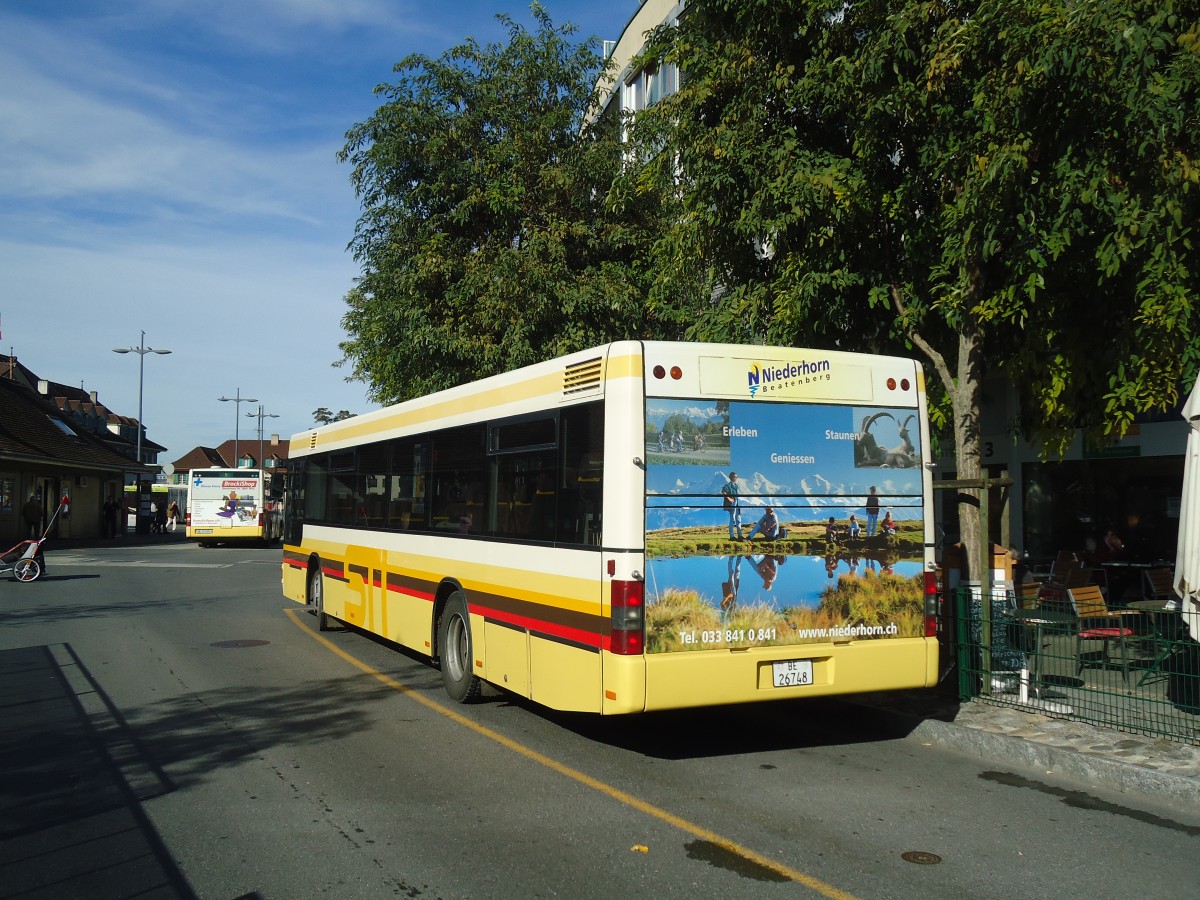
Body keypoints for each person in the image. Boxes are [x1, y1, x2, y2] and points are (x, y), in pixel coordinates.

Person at [721, 471, 744, 540]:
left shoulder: (735, 485)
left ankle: (740, 535)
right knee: (733, 519)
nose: (736, 478)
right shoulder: (729, 485)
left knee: (738, 518)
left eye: (736, 477)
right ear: (731, 477)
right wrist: (729, 498)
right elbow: (723, 491)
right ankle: (732, 536)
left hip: (736, 502)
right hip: (733, 503)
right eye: (735, 476)